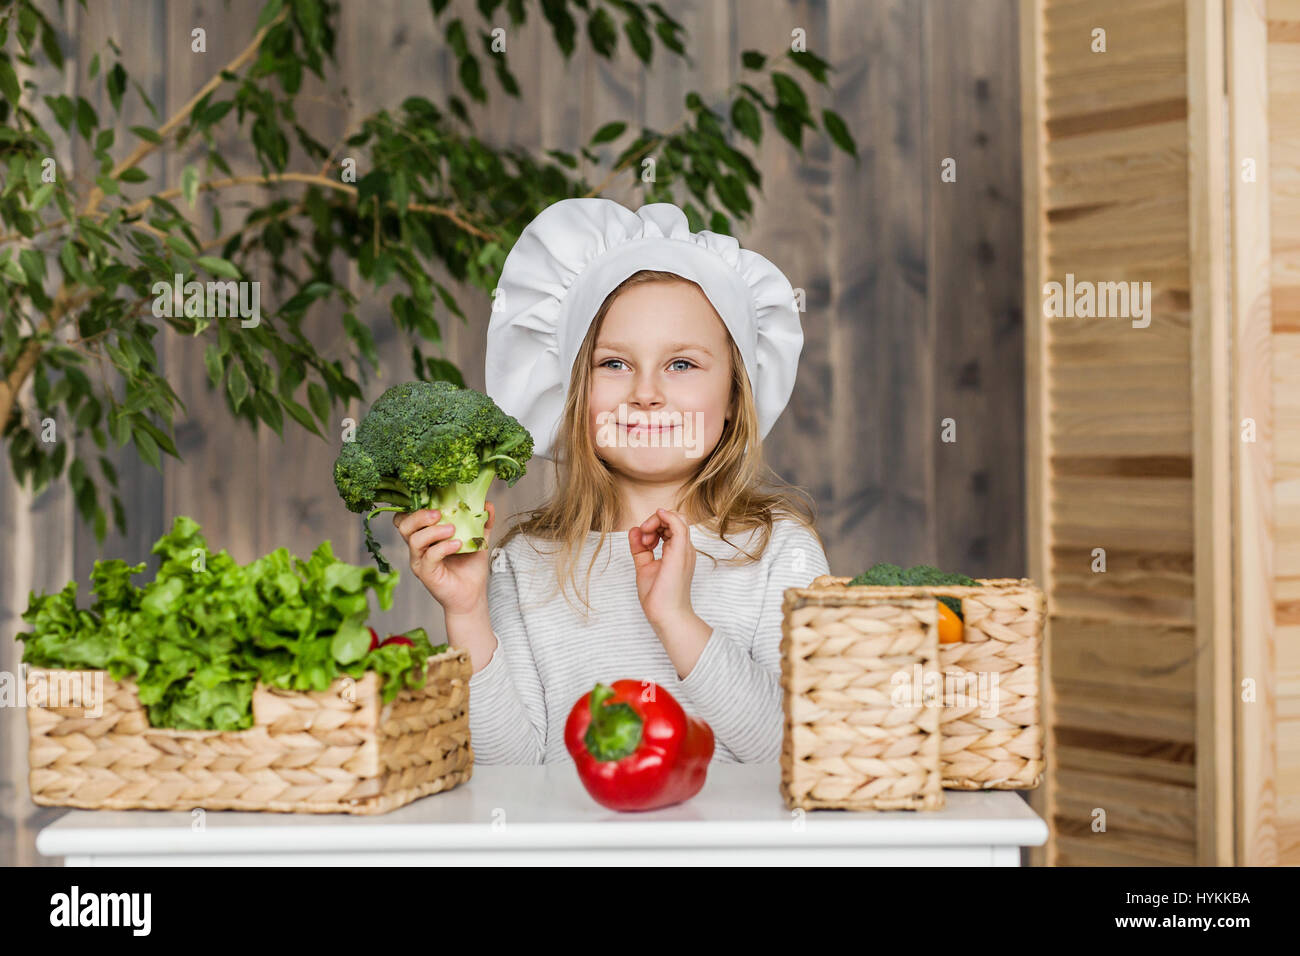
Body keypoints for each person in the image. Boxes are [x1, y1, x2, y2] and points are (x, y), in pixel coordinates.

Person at [394, 198, 829, 764]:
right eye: (614, 364)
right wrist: (467, 612)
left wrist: (676, 618)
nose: (646, 393)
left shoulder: (781, 555)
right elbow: (508, 773)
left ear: (733, 398)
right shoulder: (524, 565)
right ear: (575, 397)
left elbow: (799, 751)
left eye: (682, 364)